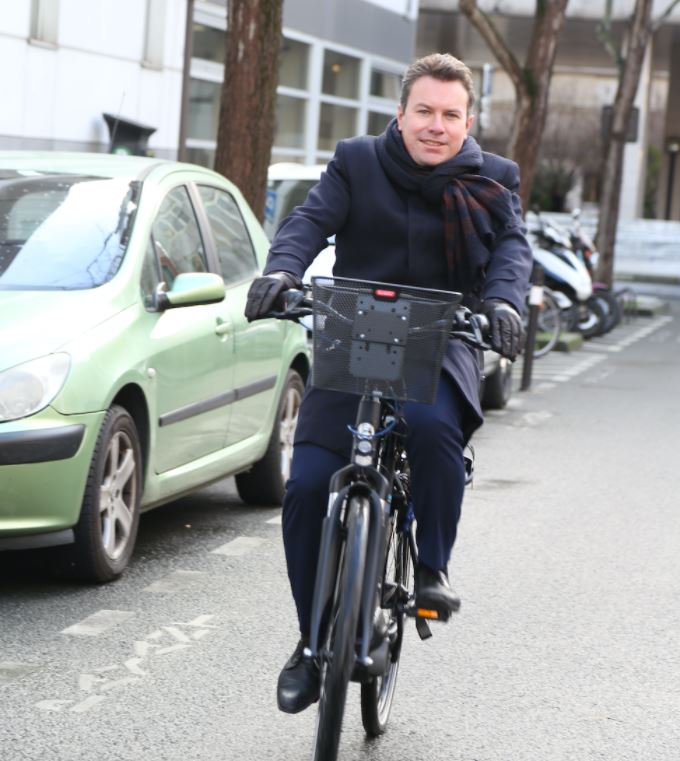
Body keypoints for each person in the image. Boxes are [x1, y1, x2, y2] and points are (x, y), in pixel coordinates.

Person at [245, 52, 532, 714]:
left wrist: (505, 303)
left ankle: (431, 566)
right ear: (401, 114)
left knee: (434, 434)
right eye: (424, 111)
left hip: (443, 336)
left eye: (451, 114)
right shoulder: (357, 161)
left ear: (468, 120)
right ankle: (312, 639)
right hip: (353, 332)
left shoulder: (495, 179)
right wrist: (283, 272)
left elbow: (512, 252)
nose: (437, 125)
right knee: (310, 484)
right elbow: (307, 223)